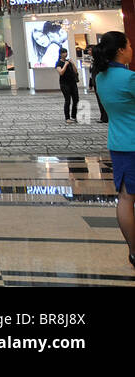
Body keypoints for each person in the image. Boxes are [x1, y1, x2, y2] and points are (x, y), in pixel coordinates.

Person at [91, 31, 135, 271]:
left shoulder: (101, 78)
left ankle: (133, 251)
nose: (131, 48)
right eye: (129, 45)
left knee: (126, 198)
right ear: (120, 50)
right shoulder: (129, 79)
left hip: (118, 143)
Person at [57, 47, 80, 123]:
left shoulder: (69, 61)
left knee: (76, 99)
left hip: (72, 83)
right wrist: (65, 65)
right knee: (68, 100)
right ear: (60, 54)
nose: (65, 54)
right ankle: (67, 117)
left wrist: (72, 63)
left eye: (66, 52)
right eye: (64, 52)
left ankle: (74, 116)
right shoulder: (59, 63)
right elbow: (61, 72)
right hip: (64, 84)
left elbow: (75, 71)